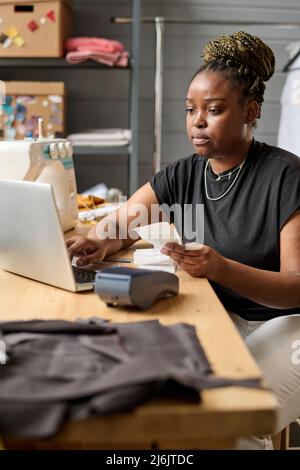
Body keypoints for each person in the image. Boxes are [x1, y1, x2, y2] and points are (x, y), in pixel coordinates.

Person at [67, 31, 300, 448]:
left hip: (287, 324)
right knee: (155, 395)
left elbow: (295, 287)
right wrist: (100, 241)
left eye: (213, 110)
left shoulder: (286, 177)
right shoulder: (186, 172)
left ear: (251, 111)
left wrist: (219, 268)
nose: (197, 121)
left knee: (230, 421)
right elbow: (128, 220)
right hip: (219, 314)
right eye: (190, 109)